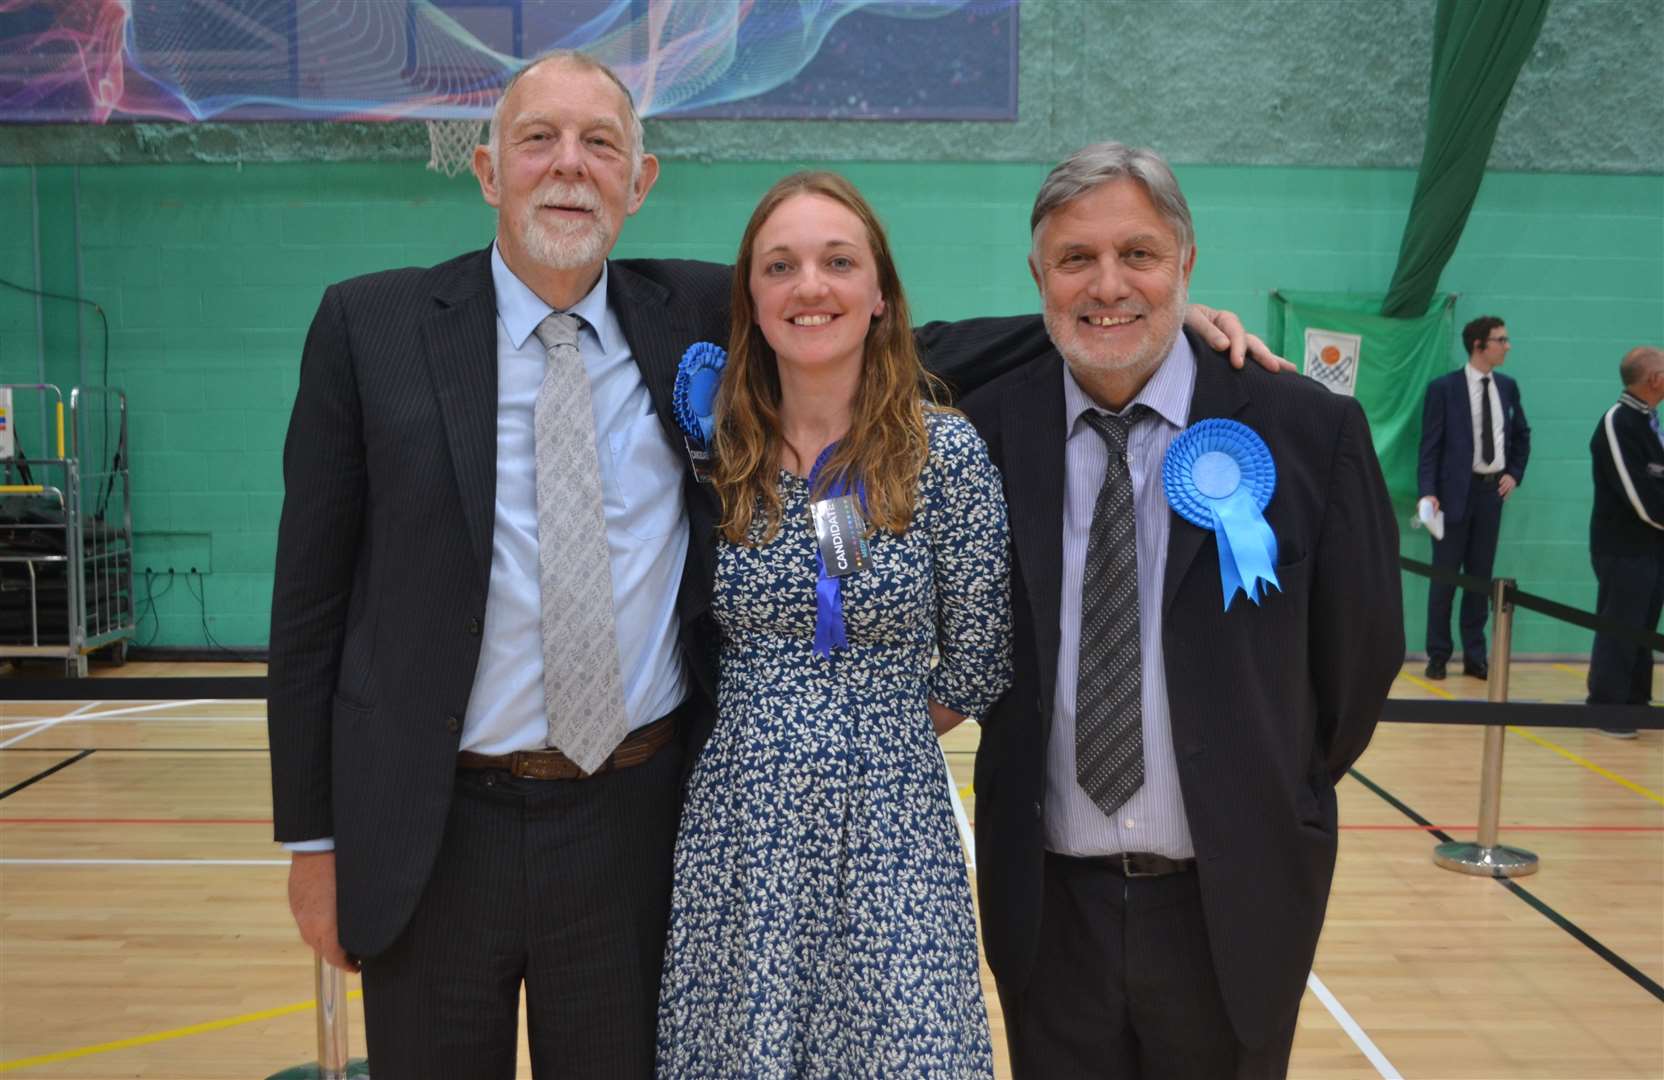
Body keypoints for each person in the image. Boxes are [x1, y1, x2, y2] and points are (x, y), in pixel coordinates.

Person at [267, 49, 1275, 1078]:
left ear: (637, 181)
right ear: (485, 169)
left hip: (628, 822)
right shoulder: (374, 328)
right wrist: (312, 841)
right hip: (443, 824)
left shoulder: (674, 314)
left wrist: (1141, 327)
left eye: (599, 143)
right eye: (538, 139)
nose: (568, 166)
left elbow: (888, 342)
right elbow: (307, 608)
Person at [961, 142, 1402, 1079]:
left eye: (1140, 256)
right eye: (1076, 259)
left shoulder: (1308, 431)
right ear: (1037, 275)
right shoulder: (982, 432)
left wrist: (1263, 787)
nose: (1108, 283)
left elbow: (1359, 662)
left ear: (1187, 264)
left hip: (1233, 905)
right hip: (1049, 910)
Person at [655, 171, 1009, 1076]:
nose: (810, 285)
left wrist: (860, 726)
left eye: (838, 261)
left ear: (880, 294)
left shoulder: (945, 454)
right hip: (741, 826)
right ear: (753, 300)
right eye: (782, 266)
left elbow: (976, 662)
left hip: (894, 824)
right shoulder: (711, 454)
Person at [1417, 315, 1531, 680]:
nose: (1507, 346)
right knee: (1444, 579)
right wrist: (1428, 492)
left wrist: (1513, 473)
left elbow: (1521, 435)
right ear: (1479, 345)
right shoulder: (1444, 389)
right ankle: (1438, 654)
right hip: (1451, 496)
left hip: (1489, 494)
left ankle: (1475, 655)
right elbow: (1429, 447)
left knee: (1480, 580)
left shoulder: (1508, 387)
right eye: (1501, 339)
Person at [1586, 345, 1664, 736]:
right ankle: (1607, 706)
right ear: (1653, 379)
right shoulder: (1618, 422)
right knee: (1621, 624)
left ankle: (1635, 703)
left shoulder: (1651, 422)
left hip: (1653, 548)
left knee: (1644, 626)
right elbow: (1639, 497)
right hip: (1622, 547)